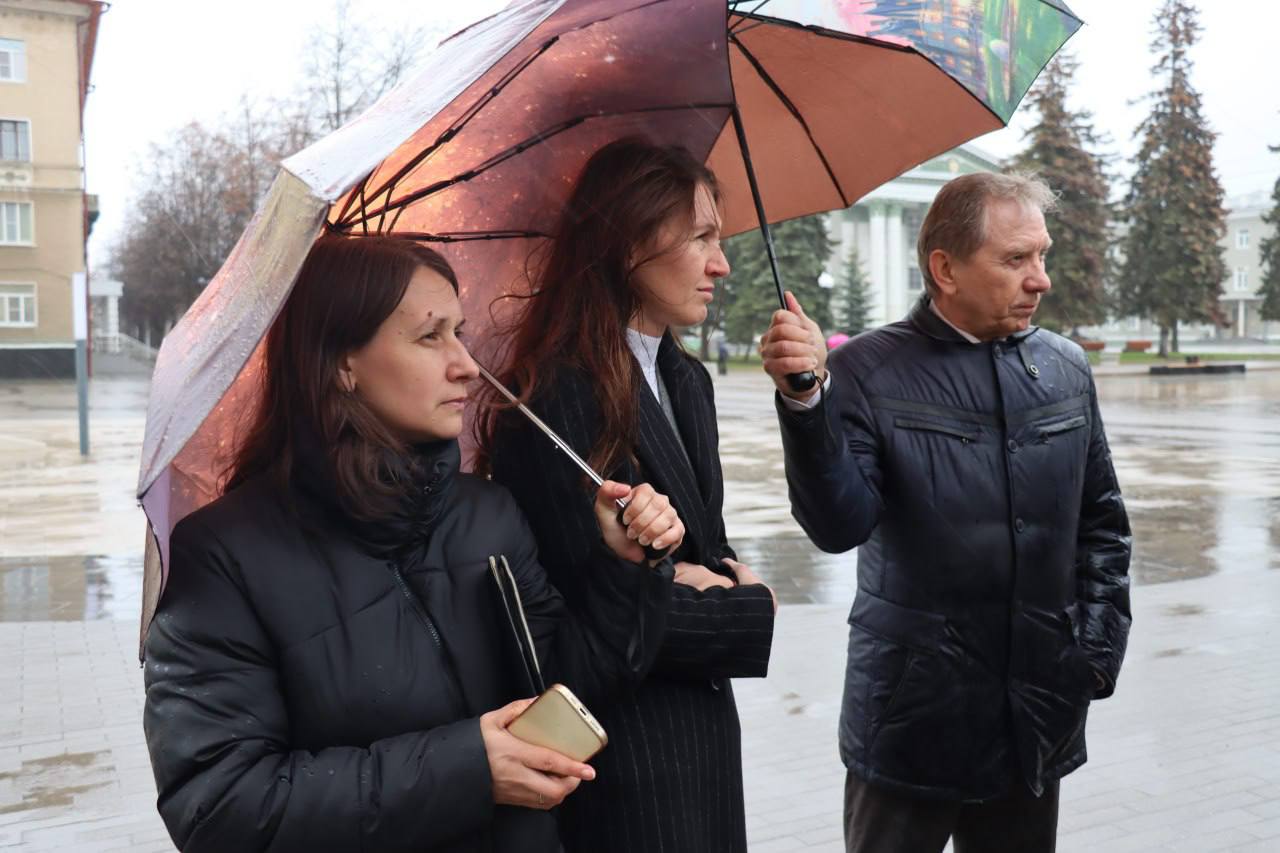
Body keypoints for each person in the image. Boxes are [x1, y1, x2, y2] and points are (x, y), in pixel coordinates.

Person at [142, 235, 686, 853]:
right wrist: (468, 770)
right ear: (342, 363)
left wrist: (623, 568)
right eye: (431, 336)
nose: (467, 364)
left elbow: (564, 689)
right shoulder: (223, 557)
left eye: (459, 333)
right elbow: (218, 808)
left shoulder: (487, 514)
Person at [759, 172, 1132, 853]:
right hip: (911, 722)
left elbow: (1102, 527)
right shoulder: (868, 371)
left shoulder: (1065, 368)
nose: (1041, 278)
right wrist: (807, 404)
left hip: (1033, 718)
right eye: (1016, 258)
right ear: (945, 269)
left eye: (1041, 255)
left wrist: (1095, 656)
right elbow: (838, 526)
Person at [478, 138, 777, 853]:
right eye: (700, 237)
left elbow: (708, 550)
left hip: (705, 739)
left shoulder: (687, 379)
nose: (721, 264)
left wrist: (701, 577)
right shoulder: (558, 397)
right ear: (629, 242)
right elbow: (596, 612)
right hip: (627, 758)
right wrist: (750, 608)